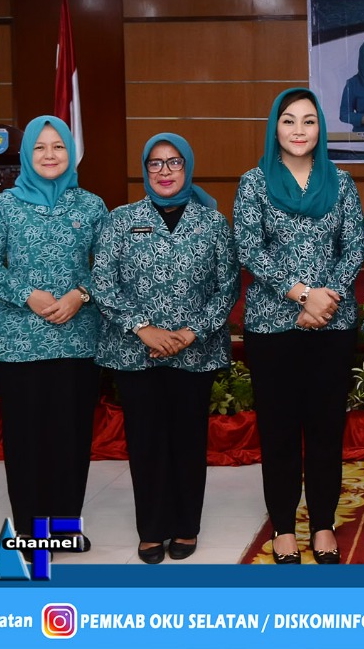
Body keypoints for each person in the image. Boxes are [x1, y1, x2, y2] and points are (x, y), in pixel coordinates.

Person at [234, 88, 364, 564]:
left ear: (320, 129)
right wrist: (302, 294)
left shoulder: (341, 182)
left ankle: (324, 523)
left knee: (326, 429)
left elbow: (355, 244)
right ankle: (285, 526)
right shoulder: (254, 183)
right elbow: (249, 247)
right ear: (275, 128)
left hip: (331, 325)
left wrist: (324, 299)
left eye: (308, 121)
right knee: (280, 431)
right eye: (288, 120)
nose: (298, 130)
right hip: (273, 326)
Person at [92, 133, 239, 564]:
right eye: (155, 163)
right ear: (145, 170)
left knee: (188, 440)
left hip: (196, 351)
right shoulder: (121, 219)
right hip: (135, 351)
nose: (165, 171)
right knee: (147, 442)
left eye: (174, 162)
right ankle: (152, 529)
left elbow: (228, 286)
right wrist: (145, 329)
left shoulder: (213, 223)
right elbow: (103, 283)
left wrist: (192, 332)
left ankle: (186, 525)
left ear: (187, 167)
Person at [0, 115, 106, 548]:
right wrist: (25, 293)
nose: (50, 155)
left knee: (71, 439)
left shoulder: (91, 206)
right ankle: (30, 532)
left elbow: (110, 267)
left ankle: (64, 530)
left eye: (58, 146)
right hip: (21, 343)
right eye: (40, 147)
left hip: (78, 341)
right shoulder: (5, 206)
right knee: (26, 443)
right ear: (27, 154)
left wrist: (80, 295)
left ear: (71, 152)